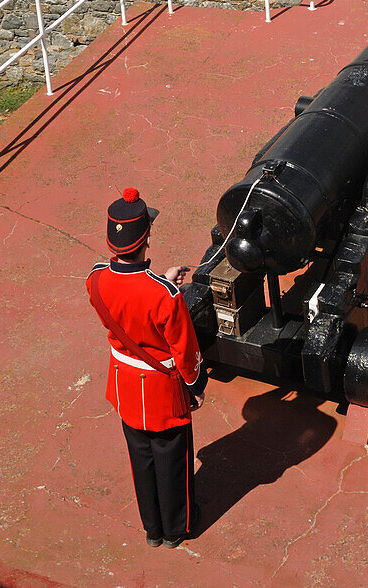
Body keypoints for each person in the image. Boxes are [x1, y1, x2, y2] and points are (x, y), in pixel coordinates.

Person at [86, 187, 208, 548]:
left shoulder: (94, 279)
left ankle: (152, 529)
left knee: (141, 458)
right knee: (172, 457)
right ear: (147, 239)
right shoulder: (165, 295)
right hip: (160, 388)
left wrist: (164, 282)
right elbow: (184, 351)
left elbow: (125, 302)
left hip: (124, 383)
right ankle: (177, 529)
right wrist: (195, 385)